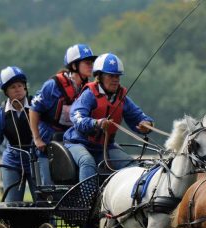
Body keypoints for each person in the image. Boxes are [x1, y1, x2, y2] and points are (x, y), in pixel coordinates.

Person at [64, 53, 154, 181]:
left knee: (132, 166)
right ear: (99, 76)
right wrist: (97, 123)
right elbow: (77, 118)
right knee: (87, 161)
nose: (115, 79)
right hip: (79, 143)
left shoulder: (122, 98)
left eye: (117, 76)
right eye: (111, 76)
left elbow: (139, 117)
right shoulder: (88, 95)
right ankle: (87, 200)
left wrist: (147, 125)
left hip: (105, 147)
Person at [29, 43, 97, 185]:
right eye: (87, 62)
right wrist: (37, 139)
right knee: (48, 187)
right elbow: (34, 109)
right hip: (47, 143)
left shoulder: (87, 88)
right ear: (74, 66)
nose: (91, 65)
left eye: (92, 62)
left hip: (71, 141)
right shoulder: (53, 85)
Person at [0, 66, 35, 202]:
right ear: (6, 92)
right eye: (13, 87)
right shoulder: (1, 114)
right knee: (12, 205)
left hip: (35, 159)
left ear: (25, 87)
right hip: (12, 160)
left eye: (20, 85)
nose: (17, 89)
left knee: (44, 202)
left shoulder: (37, 106)